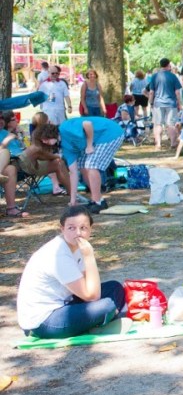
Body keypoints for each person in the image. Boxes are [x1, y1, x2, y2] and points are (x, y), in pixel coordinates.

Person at [16, 206, 128, 338]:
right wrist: (89, 256)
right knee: (107, 305)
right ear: (62, 229)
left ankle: (103, 321)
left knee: (114, 287)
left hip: (65, 303)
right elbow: (92, 296)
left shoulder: (77, 245)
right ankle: (103, 321)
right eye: (71, 228)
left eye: (83, 228)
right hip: (43, 322)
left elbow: (88, 285)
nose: (78, 233)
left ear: (91, 229)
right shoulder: (58, 255)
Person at [58, 117, 125, 213]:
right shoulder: (66, 149)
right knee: (82, 166)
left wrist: (89, 145)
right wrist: (73, 199)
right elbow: (73, 173)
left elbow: (87, 124)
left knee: (91, 165)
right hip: (97, 140)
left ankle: (97, 202)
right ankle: (99, 200)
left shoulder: (65, 128)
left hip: (110, 133)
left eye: (48, 140)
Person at [146, 58, 183, 150]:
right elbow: (177, 92)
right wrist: (179, 103)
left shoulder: (155, 76)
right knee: (171, 124)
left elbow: (151, 92)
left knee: (157, 124)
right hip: (171, 103)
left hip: (158, 103)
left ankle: (158, 144)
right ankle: (173, 143)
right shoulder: (173, 76)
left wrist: (151, 102)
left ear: (160, 65)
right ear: (168, 65)